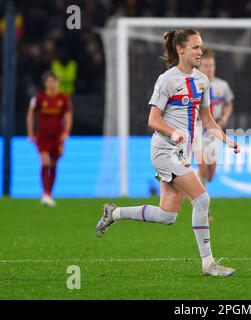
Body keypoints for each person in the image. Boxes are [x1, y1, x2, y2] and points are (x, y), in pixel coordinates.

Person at [96, 29, 240, 277]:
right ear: (180, 49)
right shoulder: (167, 80)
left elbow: (206, 118)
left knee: (167, 215)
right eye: (195, 47)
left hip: (181, 152)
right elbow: (153, 119)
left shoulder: (202, 81)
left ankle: (114, 213)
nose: (199, 52)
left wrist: (226, 139)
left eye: (201, 46)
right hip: (164, 150)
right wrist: (173, 132)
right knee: (202, 199)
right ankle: (208, 263)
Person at [192, 48, 234, 221]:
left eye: (212, 65)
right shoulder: (193, 84)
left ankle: (190, 180)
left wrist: (224, 117)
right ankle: (202, 209)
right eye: (206, 65)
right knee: (202, 165)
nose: (210, 68)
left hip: (214, 128)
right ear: (200, 67)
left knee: (210, 173)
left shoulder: (222, 85)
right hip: (197, 127)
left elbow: (229, 103)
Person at [26, 71, 73, 206]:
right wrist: (30, 133)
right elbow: (30, 115)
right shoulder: (39, 98)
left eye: (54, 81)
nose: (51, 84)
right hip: (42, 136)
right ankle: (45, 194)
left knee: (53, 164)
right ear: (45, 83)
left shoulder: (63, 99)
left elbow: (68, 117)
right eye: (49, 81)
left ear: (57, 83)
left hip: (57, 137)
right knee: (45, 162)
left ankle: (49, 194)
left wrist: (66, 132)